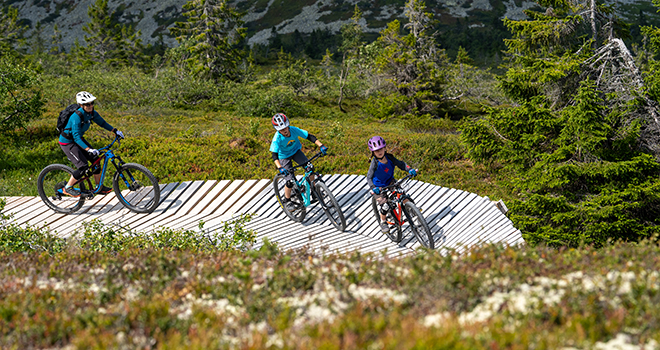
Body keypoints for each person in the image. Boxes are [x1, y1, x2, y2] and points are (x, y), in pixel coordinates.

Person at [59, 91, 124, 197]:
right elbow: (76, 137)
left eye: (92, 103)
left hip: (78, 139)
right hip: (68, 142)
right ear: (81, 105)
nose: (90, 106)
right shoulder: (76, 117)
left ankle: (99, 187)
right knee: (83, 166)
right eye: (87, 104)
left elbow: (102, 123)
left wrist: (115, 130)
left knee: (95, 159)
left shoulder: (92, 113)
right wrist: (88, 149)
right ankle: (68, 188)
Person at [270, 113, 327, 211]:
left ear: (288, 125)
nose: (285, 130)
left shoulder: (294, 130)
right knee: (290, 181)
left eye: (286, 127)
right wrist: (280, 167)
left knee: (310, 168)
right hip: (284, 157)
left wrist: (321, 145)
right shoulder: (277, 139)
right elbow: (274, 155)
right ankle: (287, 200)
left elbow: (309, 136)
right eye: (281, 129)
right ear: (277, 130)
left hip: (296, 152)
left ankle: (314, 191)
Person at [366, 135, 417, 233]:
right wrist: (373, 187)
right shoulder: (374, 163)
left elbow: (401, 164)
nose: (379, 152)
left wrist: (409, 169)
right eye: (377, 151)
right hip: (378, 186)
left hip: (390, 181)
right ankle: (383, 222)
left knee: (402, 193)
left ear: (385, 148)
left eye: (381, 149)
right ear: (373, 152)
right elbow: (369, 177)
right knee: (385, 206)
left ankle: (411, 208)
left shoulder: (390, 158)